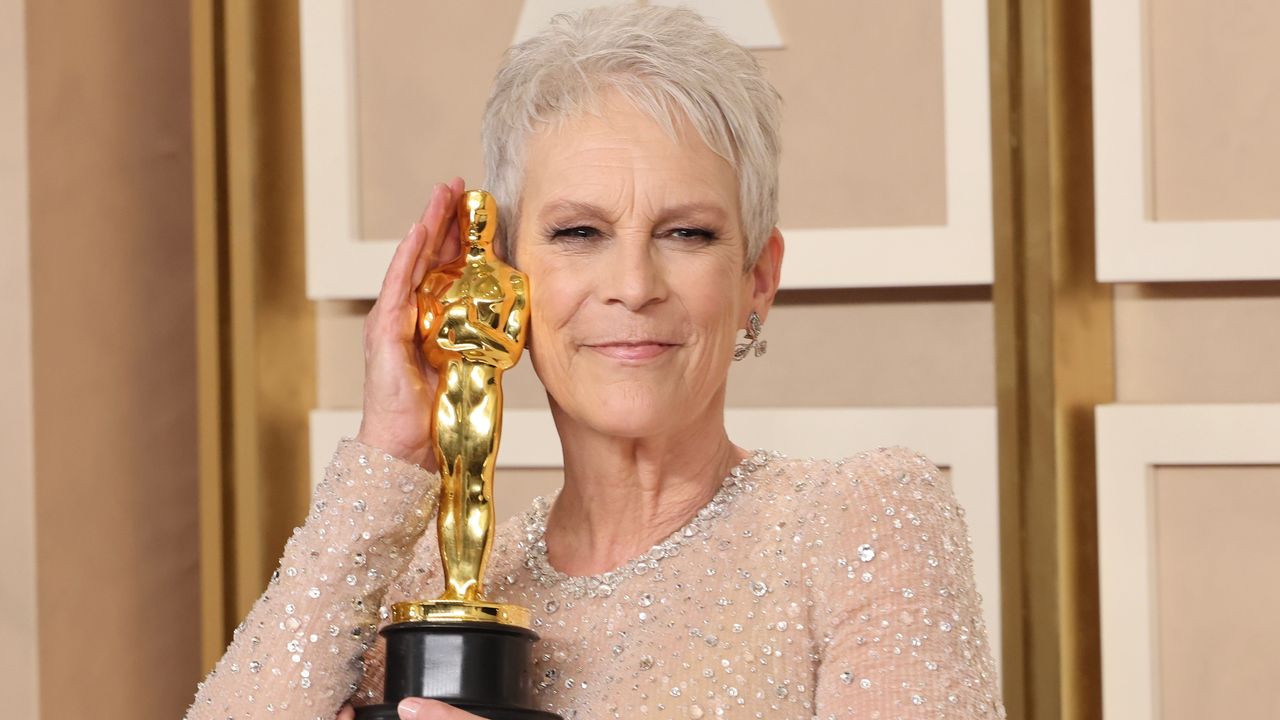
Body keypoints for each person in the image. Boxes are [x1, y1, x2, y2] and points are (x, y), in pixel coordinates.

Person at [186, 5, 1006, 719]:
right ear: (507, 272)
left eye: (687, 233)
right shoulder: (443, 582)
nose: (633, 286)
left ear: (758, 276)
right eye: (579, 232)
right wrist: (391, 449)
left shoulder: (862, 521)